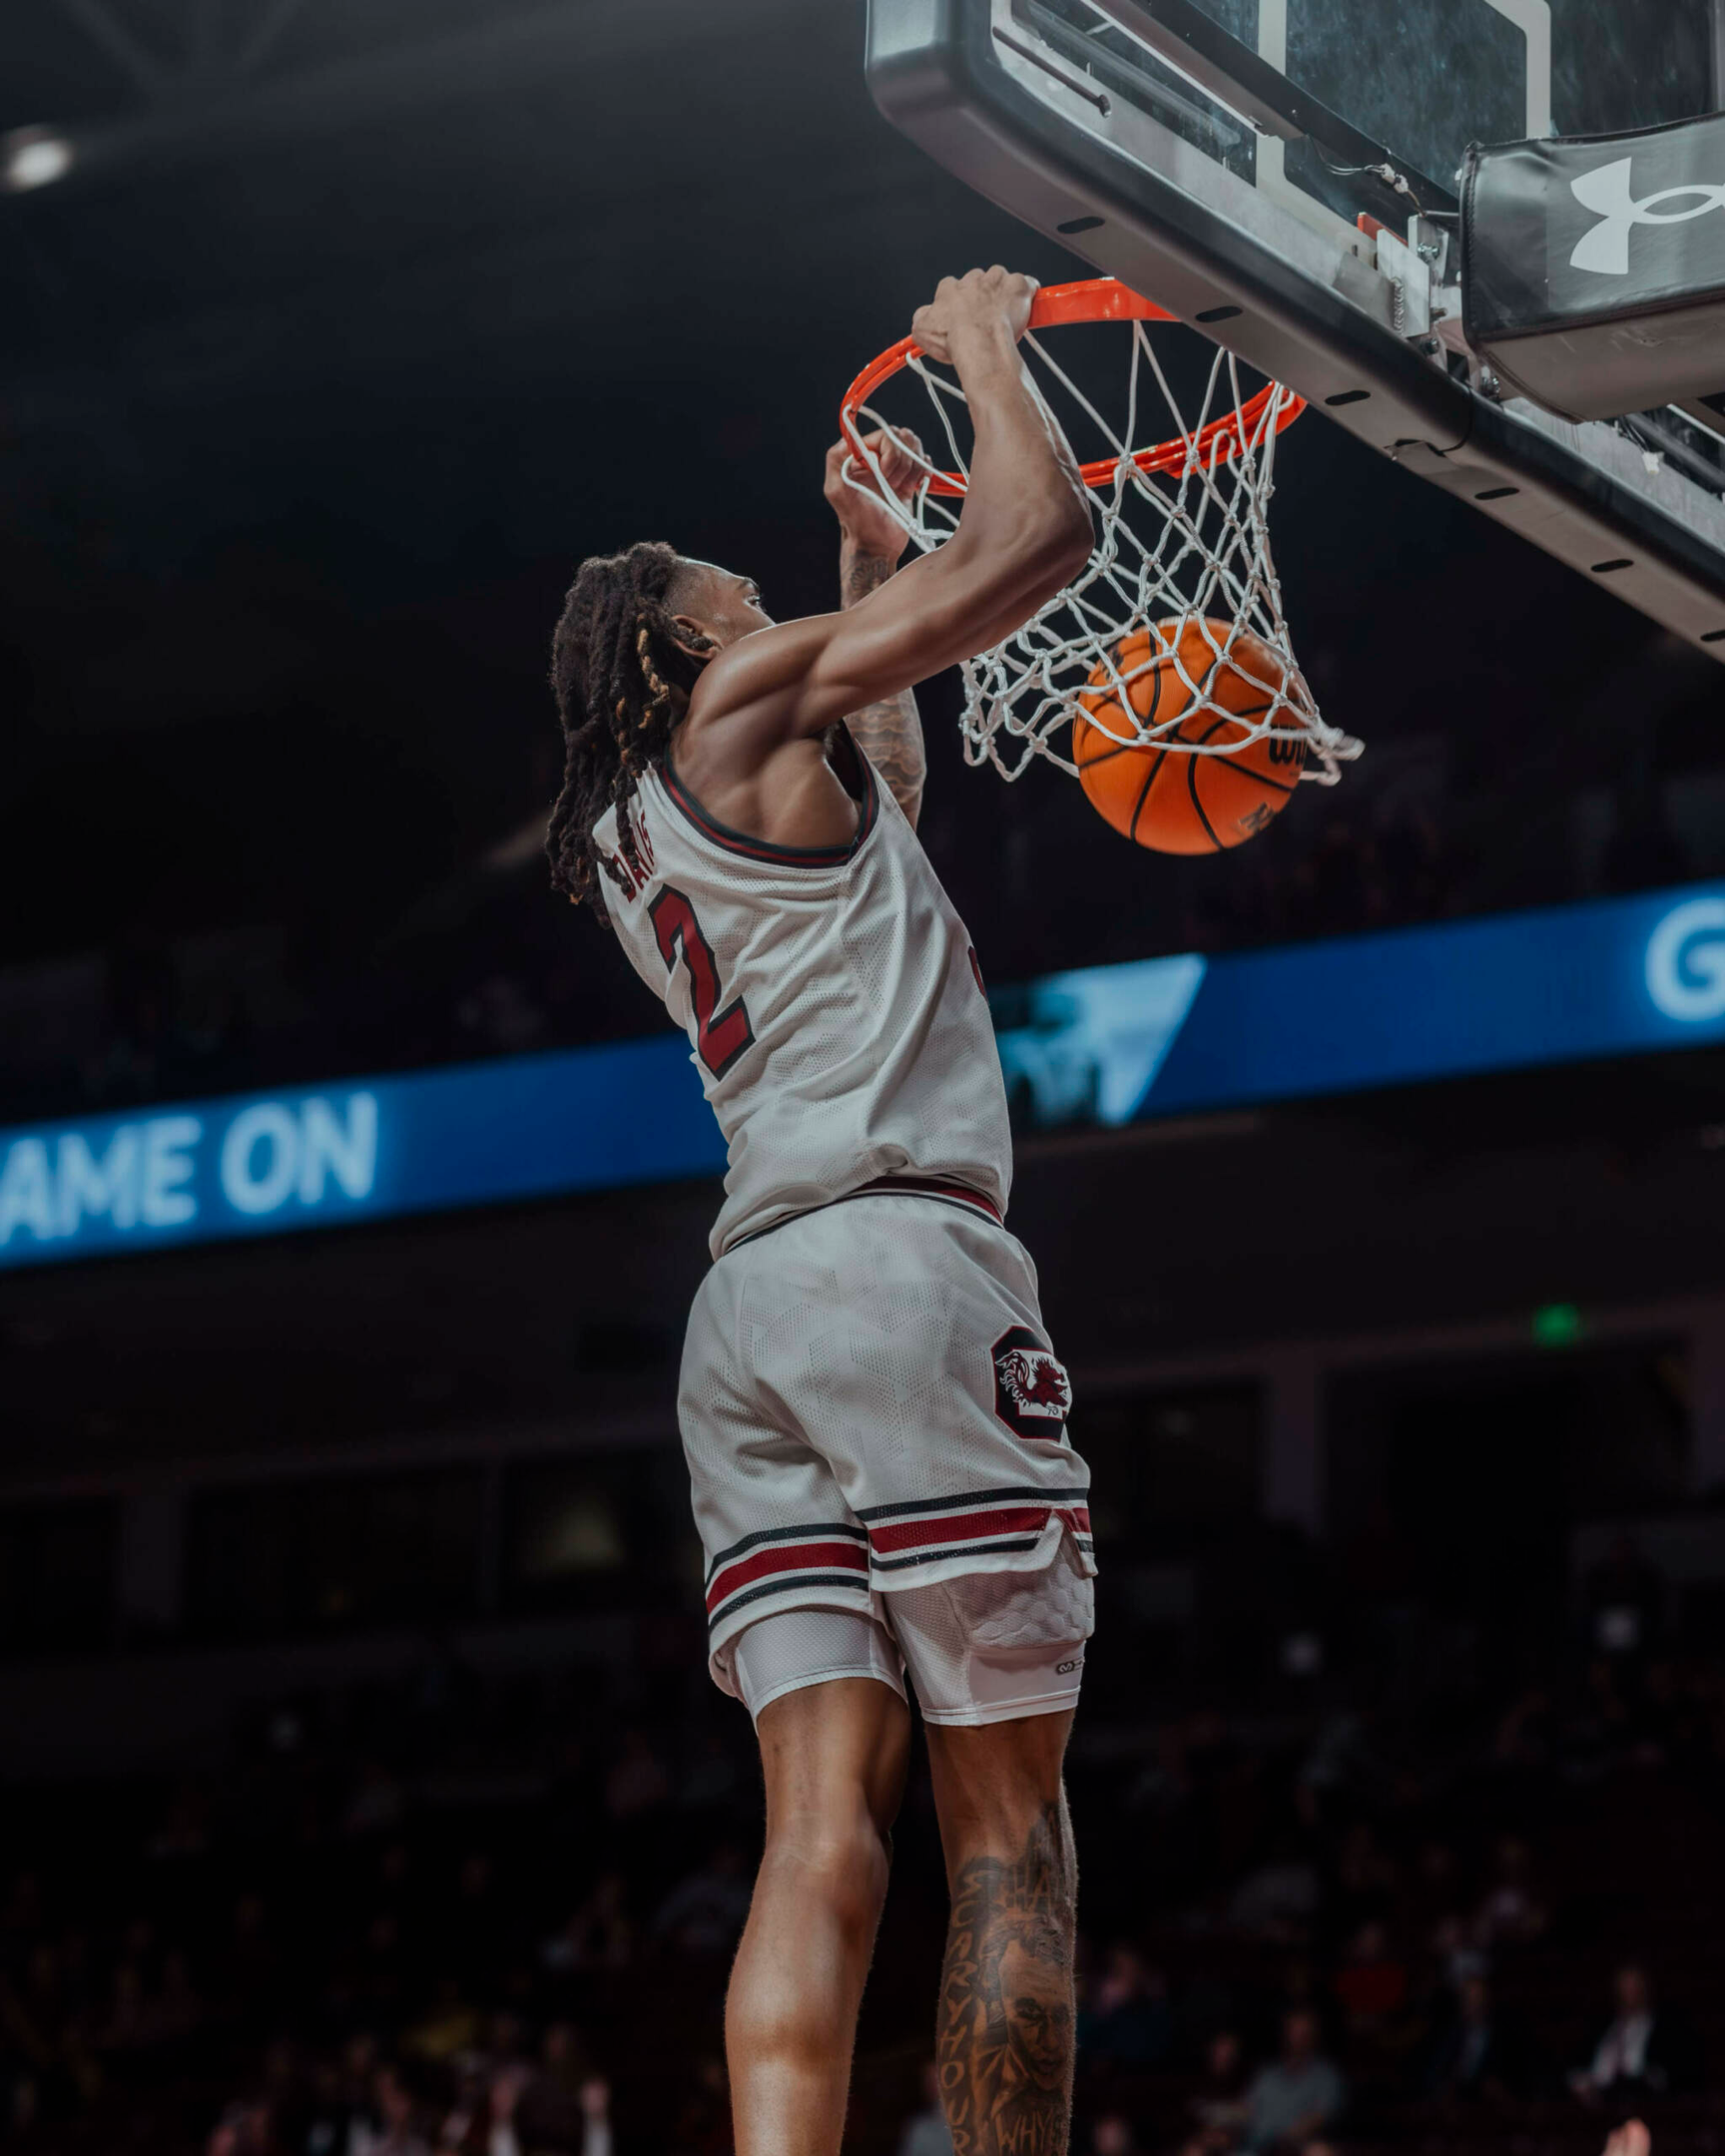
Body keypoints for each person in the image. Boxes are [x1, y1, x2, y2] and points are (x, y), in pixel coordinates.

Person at [541, 266, 1096, 2156]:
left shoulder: (637, 824)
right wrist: (986, 351)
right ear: (684, 650)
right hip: (897, 1269)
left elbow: (879, 806)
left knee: (813, 1834)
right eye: (743, 599)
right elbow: (1043, 539)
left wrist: (867, 570)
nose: (766, 610)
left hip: (751, 1320)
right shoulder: (738, 700)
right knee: (1006, 1822)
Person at [1569, 1962, 1700, 2101]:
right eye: (1623, 1986)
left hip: (1643, 2105)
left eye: (1634, 1986)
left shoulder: (1668, 2031)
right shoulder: (1598, 2028)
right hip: (1591, 2108)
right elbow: (1575, 2068)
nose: (1628, 1993)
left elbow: (1672, 2076)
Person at [1239, 2010, 1345, 2153]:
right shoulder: (1267, 2072)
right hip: (1255, 2144)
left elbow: (1321, 2116)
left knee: (1319, 2151)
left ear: (1314, 2036)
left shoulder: (1325, 2076)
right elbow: (1246, 2109)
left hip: (1295, 2146)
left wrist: (1286, 2139)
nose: (1298, 2039)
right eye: (1293, 2032)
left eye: (1304, 2033)